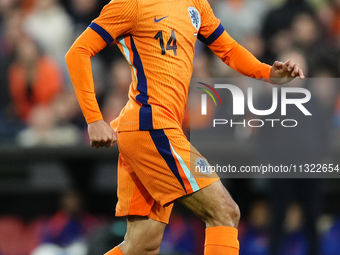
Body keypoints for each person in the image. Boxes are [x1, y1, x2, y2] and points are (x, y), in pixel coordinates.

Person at [65, 0, 305, 254]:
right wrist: (93, 119)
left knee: (142, 244)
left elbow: (229, 49)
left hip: (150, 129)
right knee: (224, 211)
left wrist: (267, 73)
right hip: (152, 126)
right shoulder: (131, 4)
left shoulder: (195, 4)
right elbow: (78, 51)